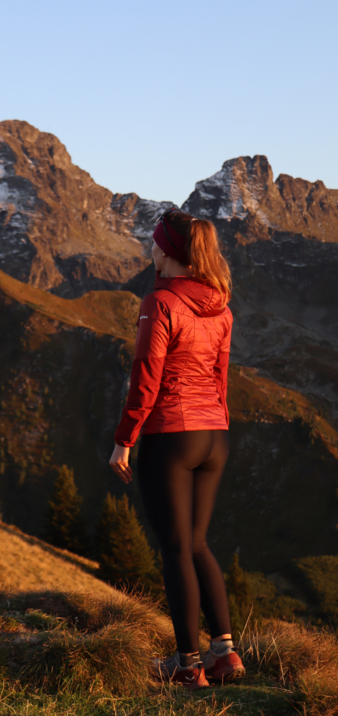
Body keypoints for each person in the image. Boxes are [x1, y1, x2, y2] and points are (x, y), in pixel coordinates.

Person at [109, 208, 245, 689]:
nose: (149, 250)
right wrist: (218, 424)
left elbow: (146, 374)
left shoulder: (160, 301)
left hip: (172, 433)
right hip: (215, 435)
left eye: (153, 243)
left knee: (174, 549)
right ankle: (225, 655)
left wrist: (125, 440)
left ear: (166, 251)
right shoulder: (222, 306)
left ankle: (187, 666)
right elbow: (220, 377)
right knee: (198, 543)